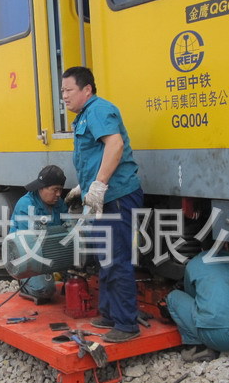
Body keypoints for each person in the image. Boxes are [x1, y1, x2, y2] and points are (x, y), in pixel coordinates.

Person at [61, 66, 143, 343]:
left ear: (87, 89)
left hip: (116, 196)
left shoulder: (97, 110)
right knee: (105, 257)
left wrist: (100, 185)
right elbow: (94, 156)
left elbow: (115, 145)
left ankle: (126, 324)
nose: (64, 96)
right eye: (62, 91)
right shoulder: (86, 115)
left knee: (116, 259)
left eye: (69, 90)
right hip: (104, 197)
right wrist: (85, 186)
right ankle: (110, 313)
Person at [9, 165, 70, 302]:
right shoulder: (27, 205)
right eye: (55, 190)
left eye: (60, 190)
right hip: (29, 256)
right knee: (45, 290)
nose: (59, 194)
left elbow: (68, 230)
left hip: (51, 250)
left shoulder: (59, 204)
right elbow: (30, 244)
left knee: (76, 279)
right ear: (41, 188)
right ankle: (25, 283)